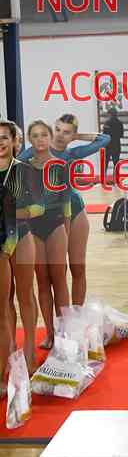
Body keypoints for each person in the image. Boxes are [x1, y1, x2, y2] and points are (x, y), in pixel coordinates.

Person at [18, 114, 110, 305]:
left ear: (72, 135)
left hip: (74, 210)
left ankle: (76, 317)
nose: (60, 135)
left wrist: (78, 136)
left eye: (67, 132)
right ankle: (59, 320)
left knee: (78, 268)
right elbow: (13, 169)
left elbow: (104, 139)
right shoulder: (33, 151)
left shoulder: (72, 154)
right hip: (47, 216)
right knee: (56, 273)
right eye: (58, 130)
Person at [0, 121, 44, 380]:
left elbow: (38, 208)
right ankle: (8, 350)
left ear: (15, 141)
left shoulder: (24, 170)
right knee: (4, 301)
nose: (0, 142)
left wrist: (11, 212)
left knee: (25, 295)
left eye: (5, 137)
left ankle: (29, 350)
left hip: (22, 236)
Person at [26, 121, 71, 350]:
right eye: (35, 135)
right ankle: (50, 334)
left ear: (50, 137)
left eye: (44, 134)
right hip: (34, 229)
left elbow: (66, 203)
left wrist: (67, 232)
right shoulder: (23, 167)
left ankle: (65, 335)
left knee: (59, 280)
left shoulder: (60, 166)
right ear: (29, 140)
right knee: (42, 281)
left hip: (56, 226)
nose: (40, 139)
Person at [103, 107, 124, 180]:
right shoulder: (120, 123)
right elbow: (121, 135)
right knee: (116, 163)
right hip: (116, 145)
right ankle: (115, 179)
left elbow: (104, 134)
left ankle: (103, 178)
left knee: (105, 163)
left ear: (110, 114)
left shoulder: (107, 123)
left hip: (108, 145)